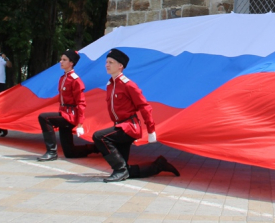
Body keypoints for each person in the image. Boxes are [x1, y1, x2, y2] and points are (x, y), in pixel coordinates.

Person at [91, 48, 179, 182]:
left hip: (129, 127)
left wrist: (151, 130)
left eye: (111, 62)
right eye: (106, 62)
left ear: (120, 66)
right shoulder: (111, 85)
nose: (106, 65)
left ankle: (120, 170)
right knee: (126, 169)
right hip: (120, 126)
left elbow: (144, 106)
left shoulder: (129, 85)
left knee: (99, 137)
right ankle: (158, 165)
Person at [36, 49, 99, 161]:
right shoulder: (63, 78)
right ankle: (95, 148)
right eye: (61, 59)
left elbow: (81, 103)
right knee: (70, 152)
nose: (61, 61)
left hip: (70, 116)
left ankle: (51, 152)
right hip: (64, 113)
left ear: (71, 63)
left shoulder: (76, 80)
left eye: (64, 60)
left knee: (44, 118)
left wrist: (80, 124)